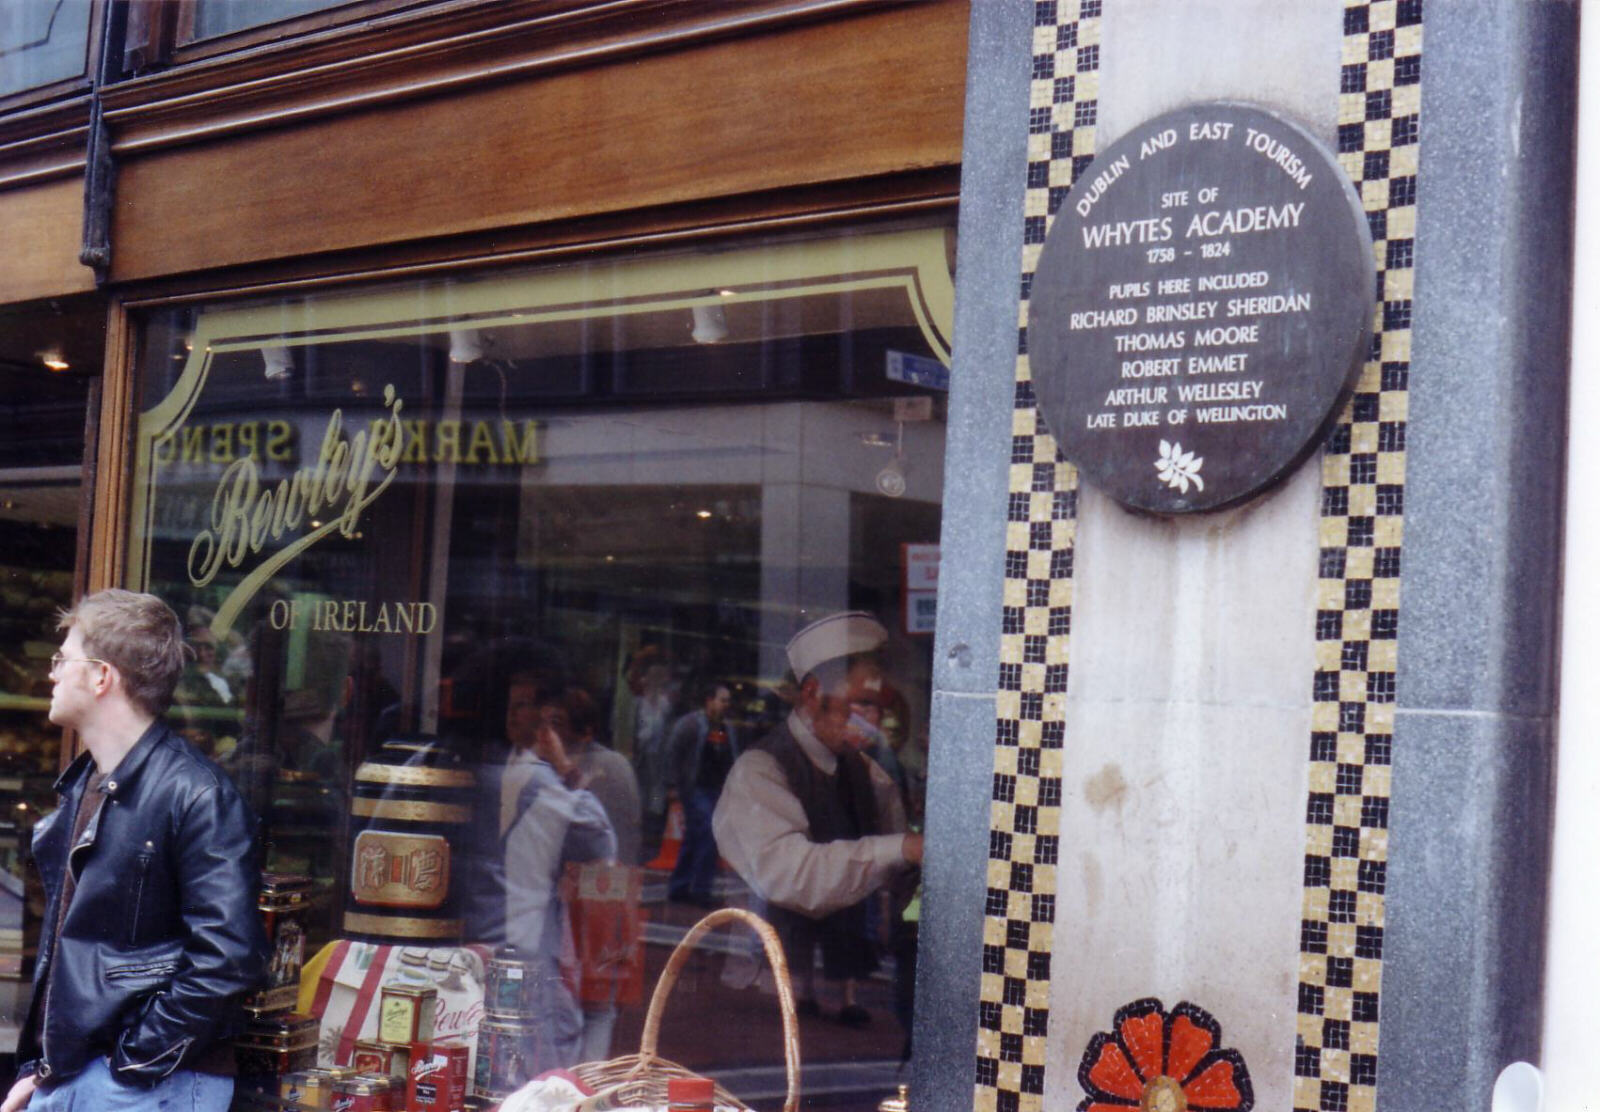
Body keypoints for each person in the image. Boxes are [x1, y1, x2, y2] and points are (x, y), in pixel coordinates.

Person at [3, 589, 268, 1112]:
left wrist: (129, 1065)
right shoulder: (85, 784)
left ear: (102, 676)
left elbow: (227, 959)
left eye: (63, 660)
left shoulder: (197, 793)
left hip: (146, 1085)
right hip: (93, 1076)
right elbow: (75, 955)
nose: (52, 674)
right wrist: (48, 1071)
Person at [712, 612, 922, 1026]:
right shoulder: (759, 770)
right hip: (768, 1003)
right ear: (811, 693)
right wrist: (901, 848)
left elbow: (900, 866)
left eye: (876, 708)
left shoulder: (867, 772)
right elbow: (792, 875)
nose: (870, 722)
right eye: (857, 704)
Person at [464, 673, 616, 1077]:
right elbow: (600, 842)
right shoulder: (538, 782)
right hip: (523, 959)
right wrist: (565, 767)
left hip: (468, 955)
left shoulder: (464, 769)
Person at [666, 680, 740, 907]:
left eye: (728, 701)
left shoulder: (726, 728)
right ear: (710, 701)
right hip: (696, 788)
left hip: (715, 790)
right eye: (722, 700)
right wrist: (673, 786)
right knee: (709, 833)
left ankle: (680, 886)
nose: (726, 705)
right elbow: (673, 754)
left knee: (695, 836)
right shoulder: (690, 725)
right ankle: (700, 889)